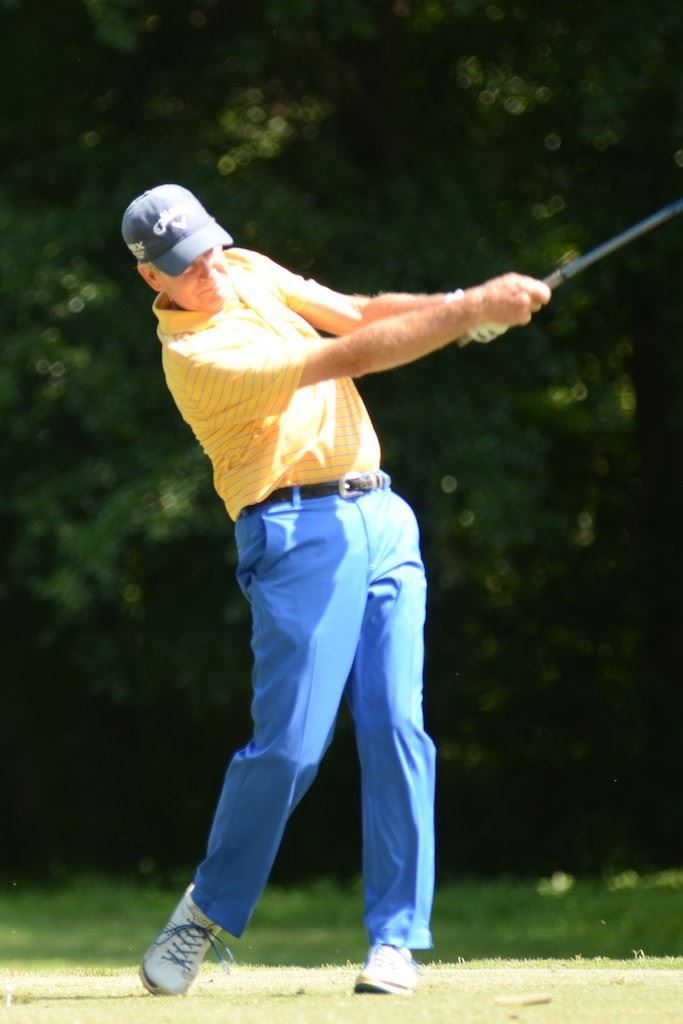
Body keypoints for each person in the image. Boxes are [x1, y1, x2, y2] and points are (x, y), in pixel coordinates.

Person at [121, 183, 551, 998]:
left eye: (210, 245)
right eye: (185, 264)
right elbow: (344, 357)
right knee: (288, 747)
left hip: (382, 515)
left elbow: (355, 313)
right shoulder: (196, 358)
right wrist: (468, 316)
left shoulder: (242, 266)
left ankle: (394, 941)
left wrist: (464, 303)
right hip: (294, 535)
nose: (209, 268)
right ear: (153, 279)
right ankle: (204, 911)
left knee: (397, 724)